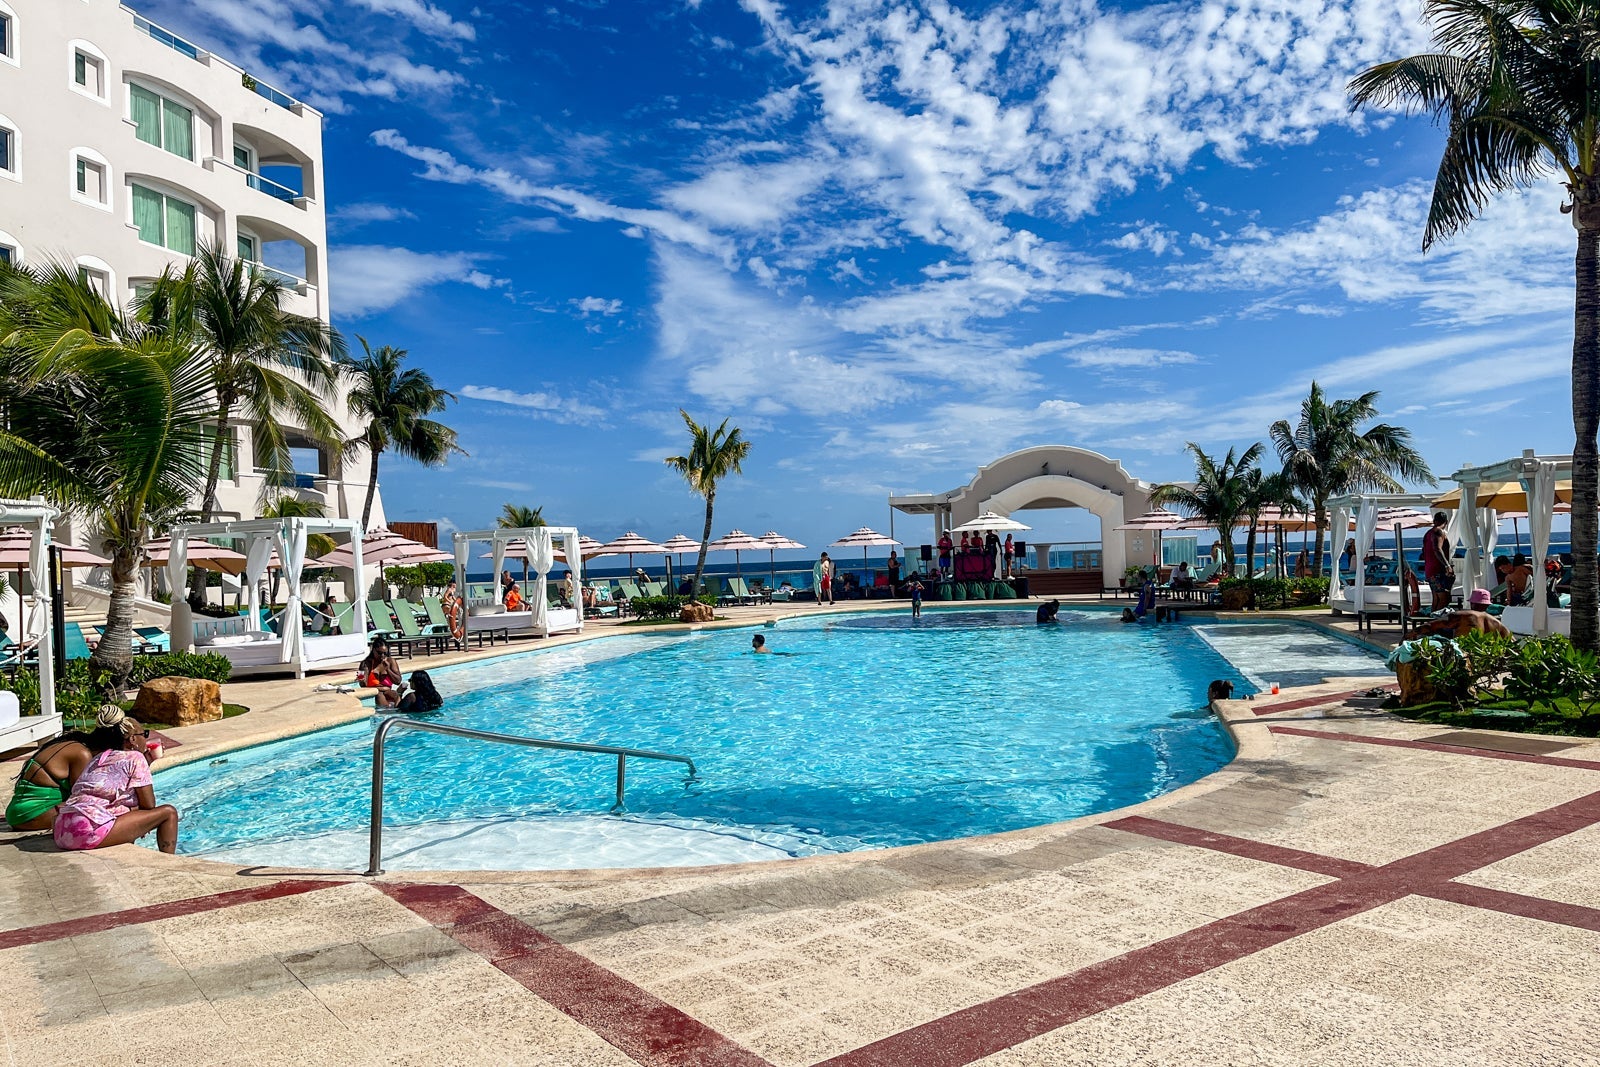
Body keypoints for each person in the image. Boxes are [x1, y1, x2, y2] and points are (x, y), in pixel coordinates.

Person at [53, 713, 178, 854]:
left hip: (62, 830)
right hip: (85, 831)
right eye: (145, 734)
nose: (146, 738)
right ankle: (170, 861)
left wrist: (146, 763)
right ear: (132, 739)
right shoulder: (136, 758)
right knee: (169, 812)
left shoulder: (99, 758)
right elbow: (148, 805)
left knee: (127, 813)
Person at [6, 727, 94, 831]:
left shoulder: (69, 744)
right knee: (98, 813)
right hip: (32, 813)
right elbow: (81, 798)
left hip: (19, 812)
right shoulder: (82, 754)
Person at [1413, 588, 1512, 638]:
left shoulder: (1464, 616)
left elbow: (1431, 625)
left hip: (1461, 653)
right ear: (1488, 604)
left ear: (1472, 603)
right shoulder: (1496, 623)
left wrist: (1410, 634)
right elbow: (1511, 642)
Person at [1421, 512, 1455, 610]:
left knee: (1436, 598)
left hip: (1430, 570)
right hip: (1437, 570)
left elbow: (1424, 551)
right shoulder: (1439, 532)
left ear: (1434, 521)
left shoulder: (1427, 534)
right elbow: (1437, 549)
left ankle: (1433, 622)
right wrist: (1447, 565)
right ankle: (1439, 621)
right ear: (1446, 522)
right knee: (1444, 598)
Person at [357, 638, 405, 708]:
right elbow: (362, 684)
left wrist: (388, 669)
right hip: (375, 692)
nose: (382, 656)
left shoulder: (391, 661)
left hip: (388, 691)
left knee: (396, 696)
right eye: (379, 653)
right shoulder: (365, 663)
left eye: (385, 653)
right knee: (379, 695)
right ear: (373, 650)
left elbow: (398, 681)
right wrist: (361, 677)